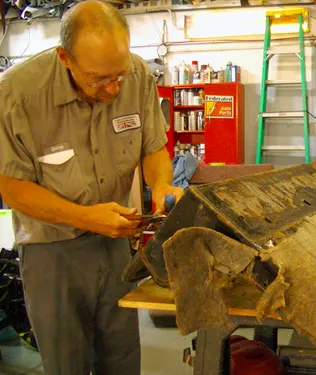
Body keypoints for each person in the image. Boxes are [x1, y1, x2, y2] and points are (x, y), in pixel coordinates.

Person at [0, 1, 183, 374]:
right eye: (99, 79)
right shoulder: (17, 95)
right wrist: (85, 217)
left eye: (120, 75)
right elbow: (11, 188)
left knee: (123, 358)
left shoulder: (137, 76)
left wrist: (162, 184)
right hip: (52, 251)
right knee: (67, 362)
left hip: (116, 244)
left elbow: (153, 147)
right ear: (65, 57)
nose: (113, 88)